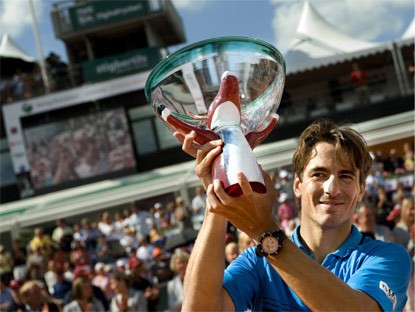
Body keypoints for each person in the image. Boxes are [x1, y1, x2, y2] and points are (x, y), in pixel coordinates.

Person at [174, 119, 411, 311]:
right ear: (297, 185)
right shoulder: (258, 261)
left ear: (360, 190)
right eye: (319, 174)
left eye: (346, 176)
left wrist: (266, 234)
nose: (332, 188)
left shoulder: (389, 257)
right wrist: (218, 196)